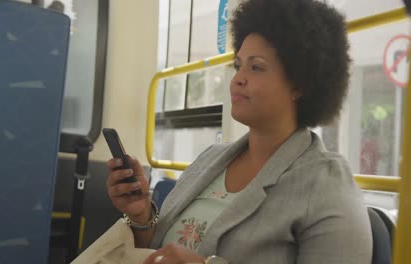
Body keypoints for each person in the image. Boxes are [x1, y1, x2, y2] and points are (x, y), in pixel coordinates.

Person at [106, 0, 372, 263]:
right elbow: (156, 248)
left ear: (299, 84)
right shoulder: (209, 159)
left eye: (256, 67)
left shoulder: (326, 184)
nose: (237, 79)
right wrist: (141, 217)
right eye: (238, 65)